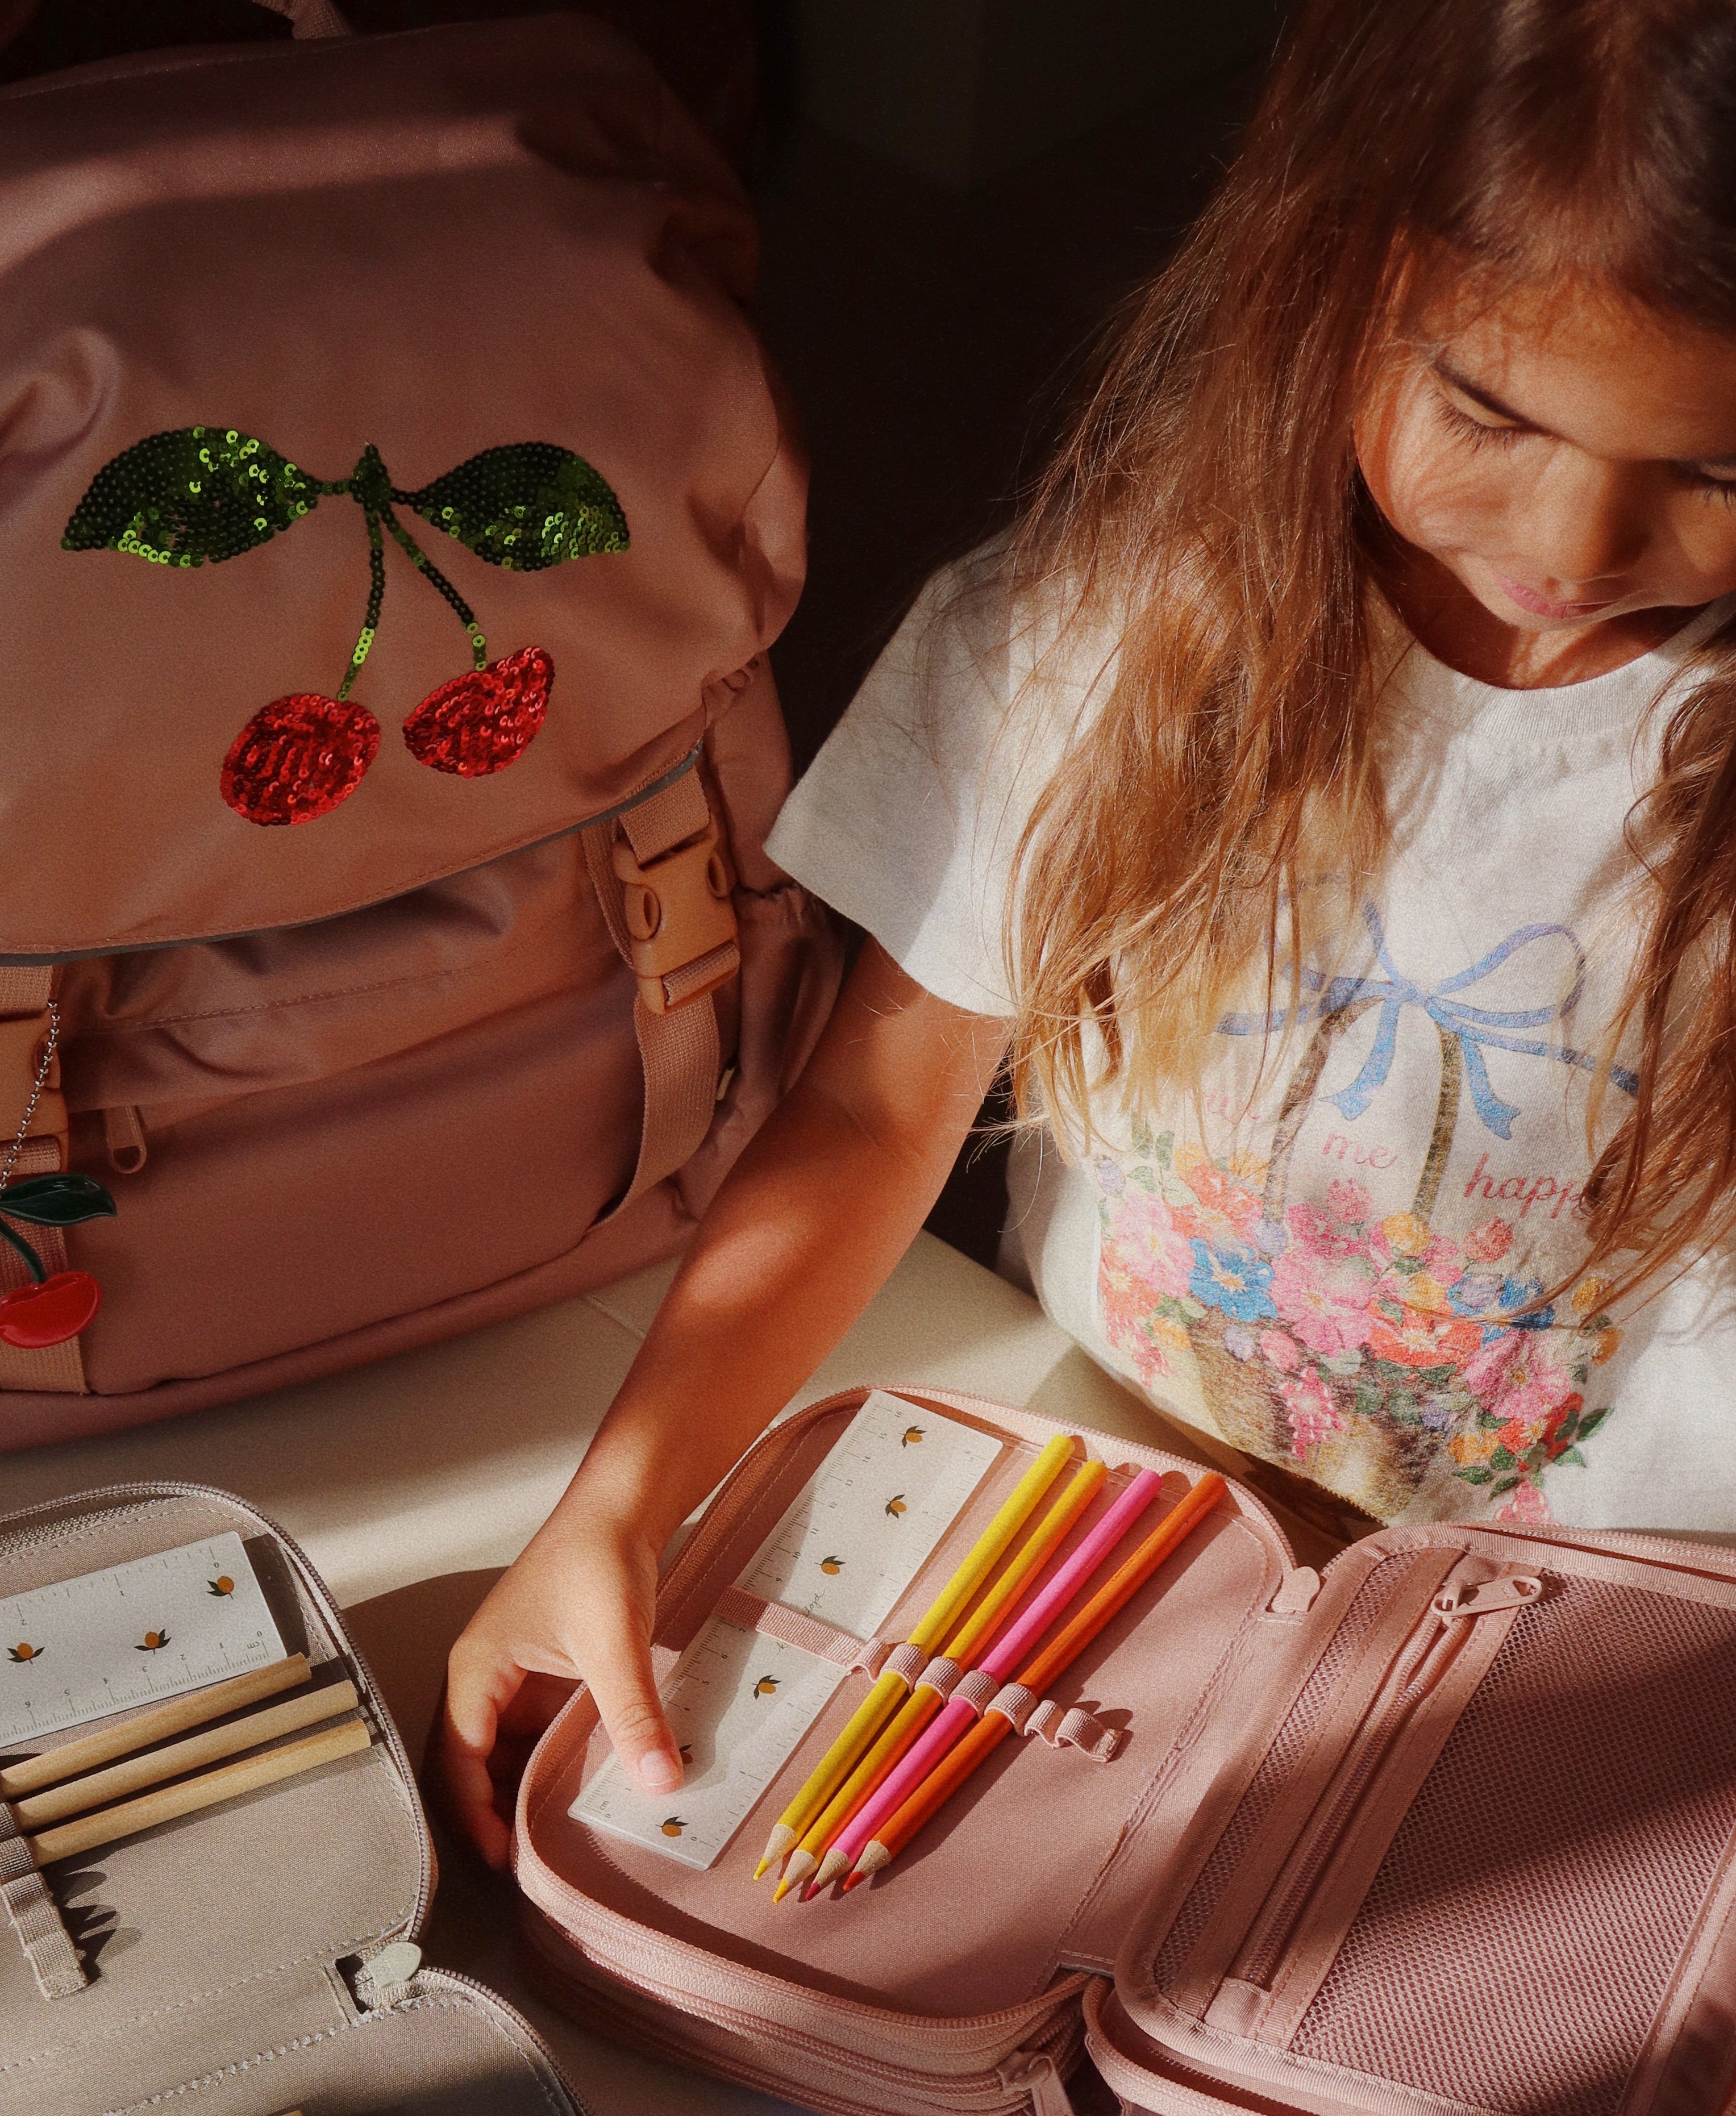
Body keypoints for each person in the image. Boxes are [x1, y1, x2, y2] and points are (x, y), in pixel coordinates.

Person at [438, 0, 1736, 1864]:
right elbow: (878, 1107)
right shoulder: (1106, 629)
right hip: (1106, 1491)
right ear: (1328, 267)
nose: (1580, 540)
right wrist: (621, 1504)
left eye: (1718, 471)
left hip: (1601, 1656)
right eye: (1489, 408)